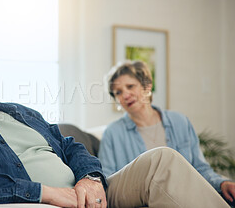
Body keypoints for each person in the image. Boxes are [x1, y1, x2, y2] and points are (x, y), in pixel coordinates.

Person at [0, 26, 229, 208]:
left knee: (162, 160)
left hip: (90, 194)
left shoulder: (19, 111)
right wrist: (45, 192)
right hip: (55, 202)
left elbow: (71, 145)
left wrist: (89, 178)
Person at [98, 60, 235, 205]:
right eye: (118, 92)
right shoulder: (112, 133)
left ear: (146, 86)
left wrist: (222, 183)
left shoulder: (180, 122)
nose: (125, 95)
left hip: (188, 195)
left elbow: (200, 169)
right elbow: (109, 182)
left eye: (130, 86)